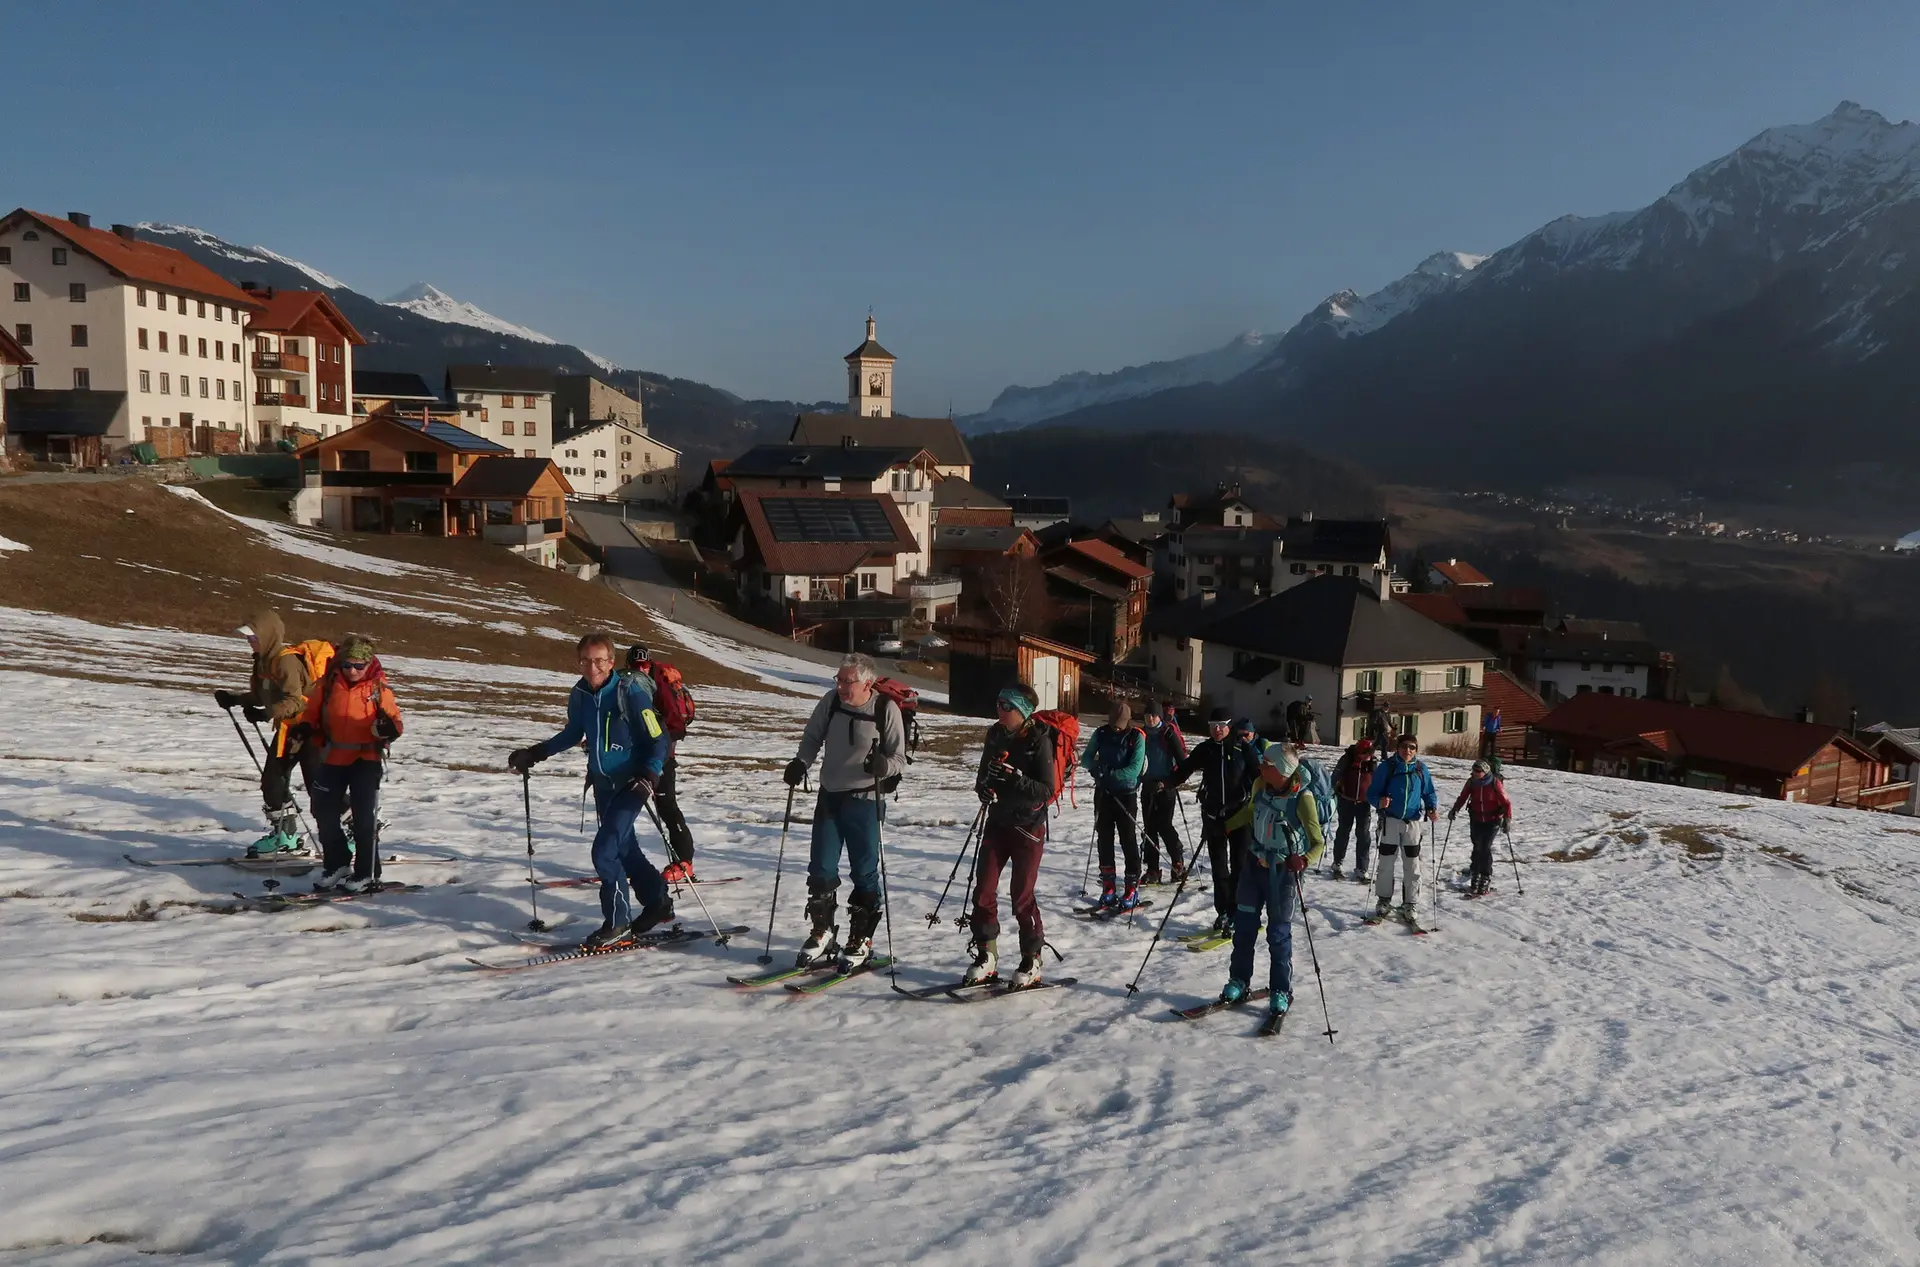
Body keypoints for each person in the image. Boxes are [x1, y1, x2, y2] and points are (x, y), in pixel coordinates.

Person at [509, 632, 673, 950]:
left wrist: (649, 777)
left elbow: (658, 739)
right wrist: (536, 752)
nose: (592, 666)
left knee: (604, 851)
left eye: (599, 660)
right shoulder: (581, 694)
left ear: (611, 662)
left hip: (631, 784)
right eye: (586, 659)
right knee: (625, 848)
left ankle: (618, 922)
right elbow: (573, 732)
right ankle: (658, 902)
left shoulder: (629, 693)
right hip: (603, 785)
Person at [782, 652, 907, 972]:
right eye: (837, 679)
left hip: (865, 801)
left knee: (864, 872)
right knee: (821, 869)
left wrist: (884, 766)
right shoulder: (831, 702)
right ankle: (823, 932)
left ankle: (860, 939)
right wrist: (801, 763)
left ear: (866, 682)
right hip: (829, 797)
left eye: (845, 681)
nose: (839, 685)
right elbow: (812, 737)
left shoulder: (884, 708)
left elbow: (899, 757)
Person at [963, 682, 1058, 989]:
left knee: (1021, 897)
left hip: (1027, 827)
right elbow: (982, 777)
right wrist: (986, 789)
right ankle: (986, 955)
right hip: (997, 822)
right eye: (998, 703)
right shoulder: (995, 734)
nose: (1000, 710)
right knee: (984, 890)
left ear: (1022, 711)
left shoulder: (1039, 739)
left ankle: (1032, 959)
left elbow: (1047, 789)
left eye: (1007, 706)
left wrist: (1016, 778)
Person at [1220, 745, 1324, 1019]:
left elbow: (1318, 842)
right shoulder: (1260, 785)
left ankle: (1281, 990)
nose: (1261, 766)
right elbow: (1251, 811)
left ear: (1282, 770)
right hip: (1253, 867)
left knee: (1278, 935)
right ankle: (1239, 981)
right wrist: (1226, 824)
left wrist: (1303, 860)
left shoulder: (1303, 799)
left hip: (1283, 875)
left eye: (1267, 763)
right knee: (1244, 928)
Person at [213, 609, 327, 856]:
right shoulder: (262, 661)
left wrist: (268, 713)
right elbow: (260, 695)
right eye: (248, 637)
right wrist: (234, 699)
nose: (249, 641)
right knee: (272, 783)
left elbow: (297, 700)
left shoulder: (285, 661)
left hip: (310, 732)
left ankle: (352, 829)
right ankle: (284, 836)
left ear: (268, 635)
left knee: (318, 787)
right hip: (287, 730)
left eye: (253, 636)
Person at [297, 634, 402, 892]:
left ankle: (366, 872)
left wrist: (390, 728)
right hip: (333, 757)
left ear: (369, 664)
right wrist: (304, 728)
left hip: (366, 760)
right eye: (347, 665)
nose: (352, 670)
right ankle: (338, 863)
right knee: (322, 809)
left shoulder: (379, 689)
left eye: (358, 666)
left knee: (364, 818)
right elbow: (312, 712)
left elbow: (396, 723)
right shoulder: (329, 684)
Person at [1173, 706, 1260, 938]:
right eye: (1213, 726)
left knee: (1240, 868)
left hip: (1239, 817)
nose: (1217, 730)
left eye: (1221, 726)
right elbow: (1185, 769)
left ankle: (1240, 912)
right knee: (1219, 870)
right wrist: (1165, 783)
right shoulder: (1206, 749)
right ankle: (1223, 911)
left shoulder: (1242, 748)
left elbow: (1259, 776)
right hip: (1213, 817)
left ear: (1229, 726)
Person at [625, 645, 697, 883]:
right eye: (636, 666)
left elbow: (676, 725)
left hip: (664, 754)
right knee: (628, 803)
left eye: (644, 666)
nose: (641, 670)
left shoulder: (661, 686)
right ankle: (625, 857)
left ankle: (684, 861)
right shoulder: (630, 684)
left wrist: (663, 746)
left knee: (666, 805)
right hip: (640, 753)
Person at [1079, 700, 1146, 909]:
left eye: (1120, 724)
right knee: (1104, 838)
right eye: (1113, 724)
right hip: (1103, 793)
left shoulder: (1136, 737)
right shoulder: (1101, 733)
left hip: (1126, 793)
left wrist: (1111, 775)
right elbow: (1086, 758)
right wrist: (1097, 767)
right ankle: (1108, 886)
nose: (1115, 728)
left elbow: (1134, 768)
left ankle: (1131, 887)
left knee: (1128, 839)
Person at [1367, 733, 1438, 922]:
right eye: (1404, 746)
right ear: (1397, 748)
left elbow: (1429, 792)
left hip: (1413, 823)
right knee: (1386, 864)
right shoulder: (1387, 767)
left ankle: (1410, 902)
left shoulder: (1421, 769)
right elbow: (1372, 793)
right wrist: (1380, 802)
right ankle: (1383, 900)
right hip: (1390, 821)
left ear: (1416, 750)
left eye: (1412, 747)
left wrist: (1431, 808)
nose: (1408, 750)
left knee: (1412, 865)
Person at [1138, 701, 1188, 884]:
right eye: (1147, 715)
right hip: (1147, 787)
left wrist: (1168, 782)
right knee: (1150, 828)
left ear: (1160, 716)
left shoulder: (1167, 734)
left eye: (1154, 715)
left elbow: (1183, 763)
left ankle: (1178, 863)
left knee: (1164, 826)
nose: (1150, 718)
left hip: (1165, 787)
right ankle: (1152, 869)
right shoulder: (1140, 734)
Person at [1450, 760, 1513, 896]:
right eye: (1474, 771)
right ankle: (1476, 874)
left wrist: (1507, 819)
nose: (1475, 773)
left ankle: (1485, 876)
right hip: (1476, 819)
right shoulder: (1471, 782)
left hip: (1493, 820)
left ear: (1485, 772)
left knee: (1485, 847)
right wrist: (1455, 809)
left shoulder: (1495, 783)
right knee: (1477, 846)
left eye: (1478, 771)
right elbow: (1463, 797)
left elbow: (1506, 803)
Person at [1329, 738, 1377, 881]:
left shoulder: (1372, 763)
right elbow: (1335, 776)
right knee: (1343, 831)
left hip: (1364, 803)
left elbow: (1377, 780)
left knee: (1363, 835)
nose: (1368, 755)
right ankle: (1337, 863)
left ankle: (1362, 868)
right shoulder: (1347, 760)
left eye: (1370, 752)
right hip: (1346, 801)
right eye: (1365, 753)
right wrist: (1334, 789)